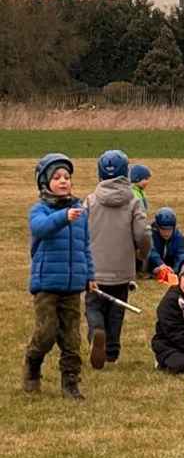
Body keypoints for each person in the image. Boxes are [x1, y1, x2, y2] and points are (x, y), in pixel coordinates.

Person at [23, 153, 95, 400]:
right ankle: (33, 363)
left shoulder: (79, 212)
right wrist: (63, 217)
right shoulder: (39, 210)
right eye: (57, 177)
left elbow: (85, 247)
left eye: (67, 177)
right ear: (45, 183)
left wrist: (90, 275)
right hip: (47, 285)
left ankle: (71, 382)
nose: (63, 181)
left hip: (72, 286)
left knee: (72, 338)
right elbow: (40, 228)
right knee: (46, 333)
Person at [84, 150, 151, 369]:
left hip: (94, 269)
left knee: (93, 306)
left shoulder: (90, 201)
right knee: (116, 310)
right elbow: (142, 234)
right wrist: (142, 255)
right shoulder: (134, 201)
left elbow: (80, 232)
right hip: (122, 269)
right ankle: (111, 352)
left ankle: (96, 331)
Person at [147, 207, 184, 275]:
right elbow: (151, 251)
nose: (166, 233)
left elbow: (180, 256)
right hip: (153, 265)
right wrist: (160, 264)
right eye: (163, 229)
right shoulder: (150, 234)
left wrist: (174, 271)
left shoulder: (179, 237)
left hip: (170, 266)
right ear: (157, 227)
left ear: (174, 227)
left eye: (169, 229)